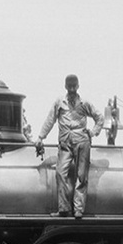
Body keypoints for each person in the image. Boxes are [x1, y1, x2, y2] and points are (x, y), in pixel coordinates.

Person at [35, 74, 104, 219]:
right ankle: (64, 208)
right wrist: (41, 137)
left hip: (82, 142)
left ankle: (78, 209)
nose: (72, 89)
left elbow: (100, 118)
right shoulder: (59, 102)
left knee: (81, 176)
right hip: (65, 143)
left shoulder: (85, 103)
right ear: (65, 87)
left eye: (74, 86)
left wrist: (93, 132)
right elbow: (50, 120)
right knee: (60, 173)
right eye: (69, 86)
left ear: (78, 86)